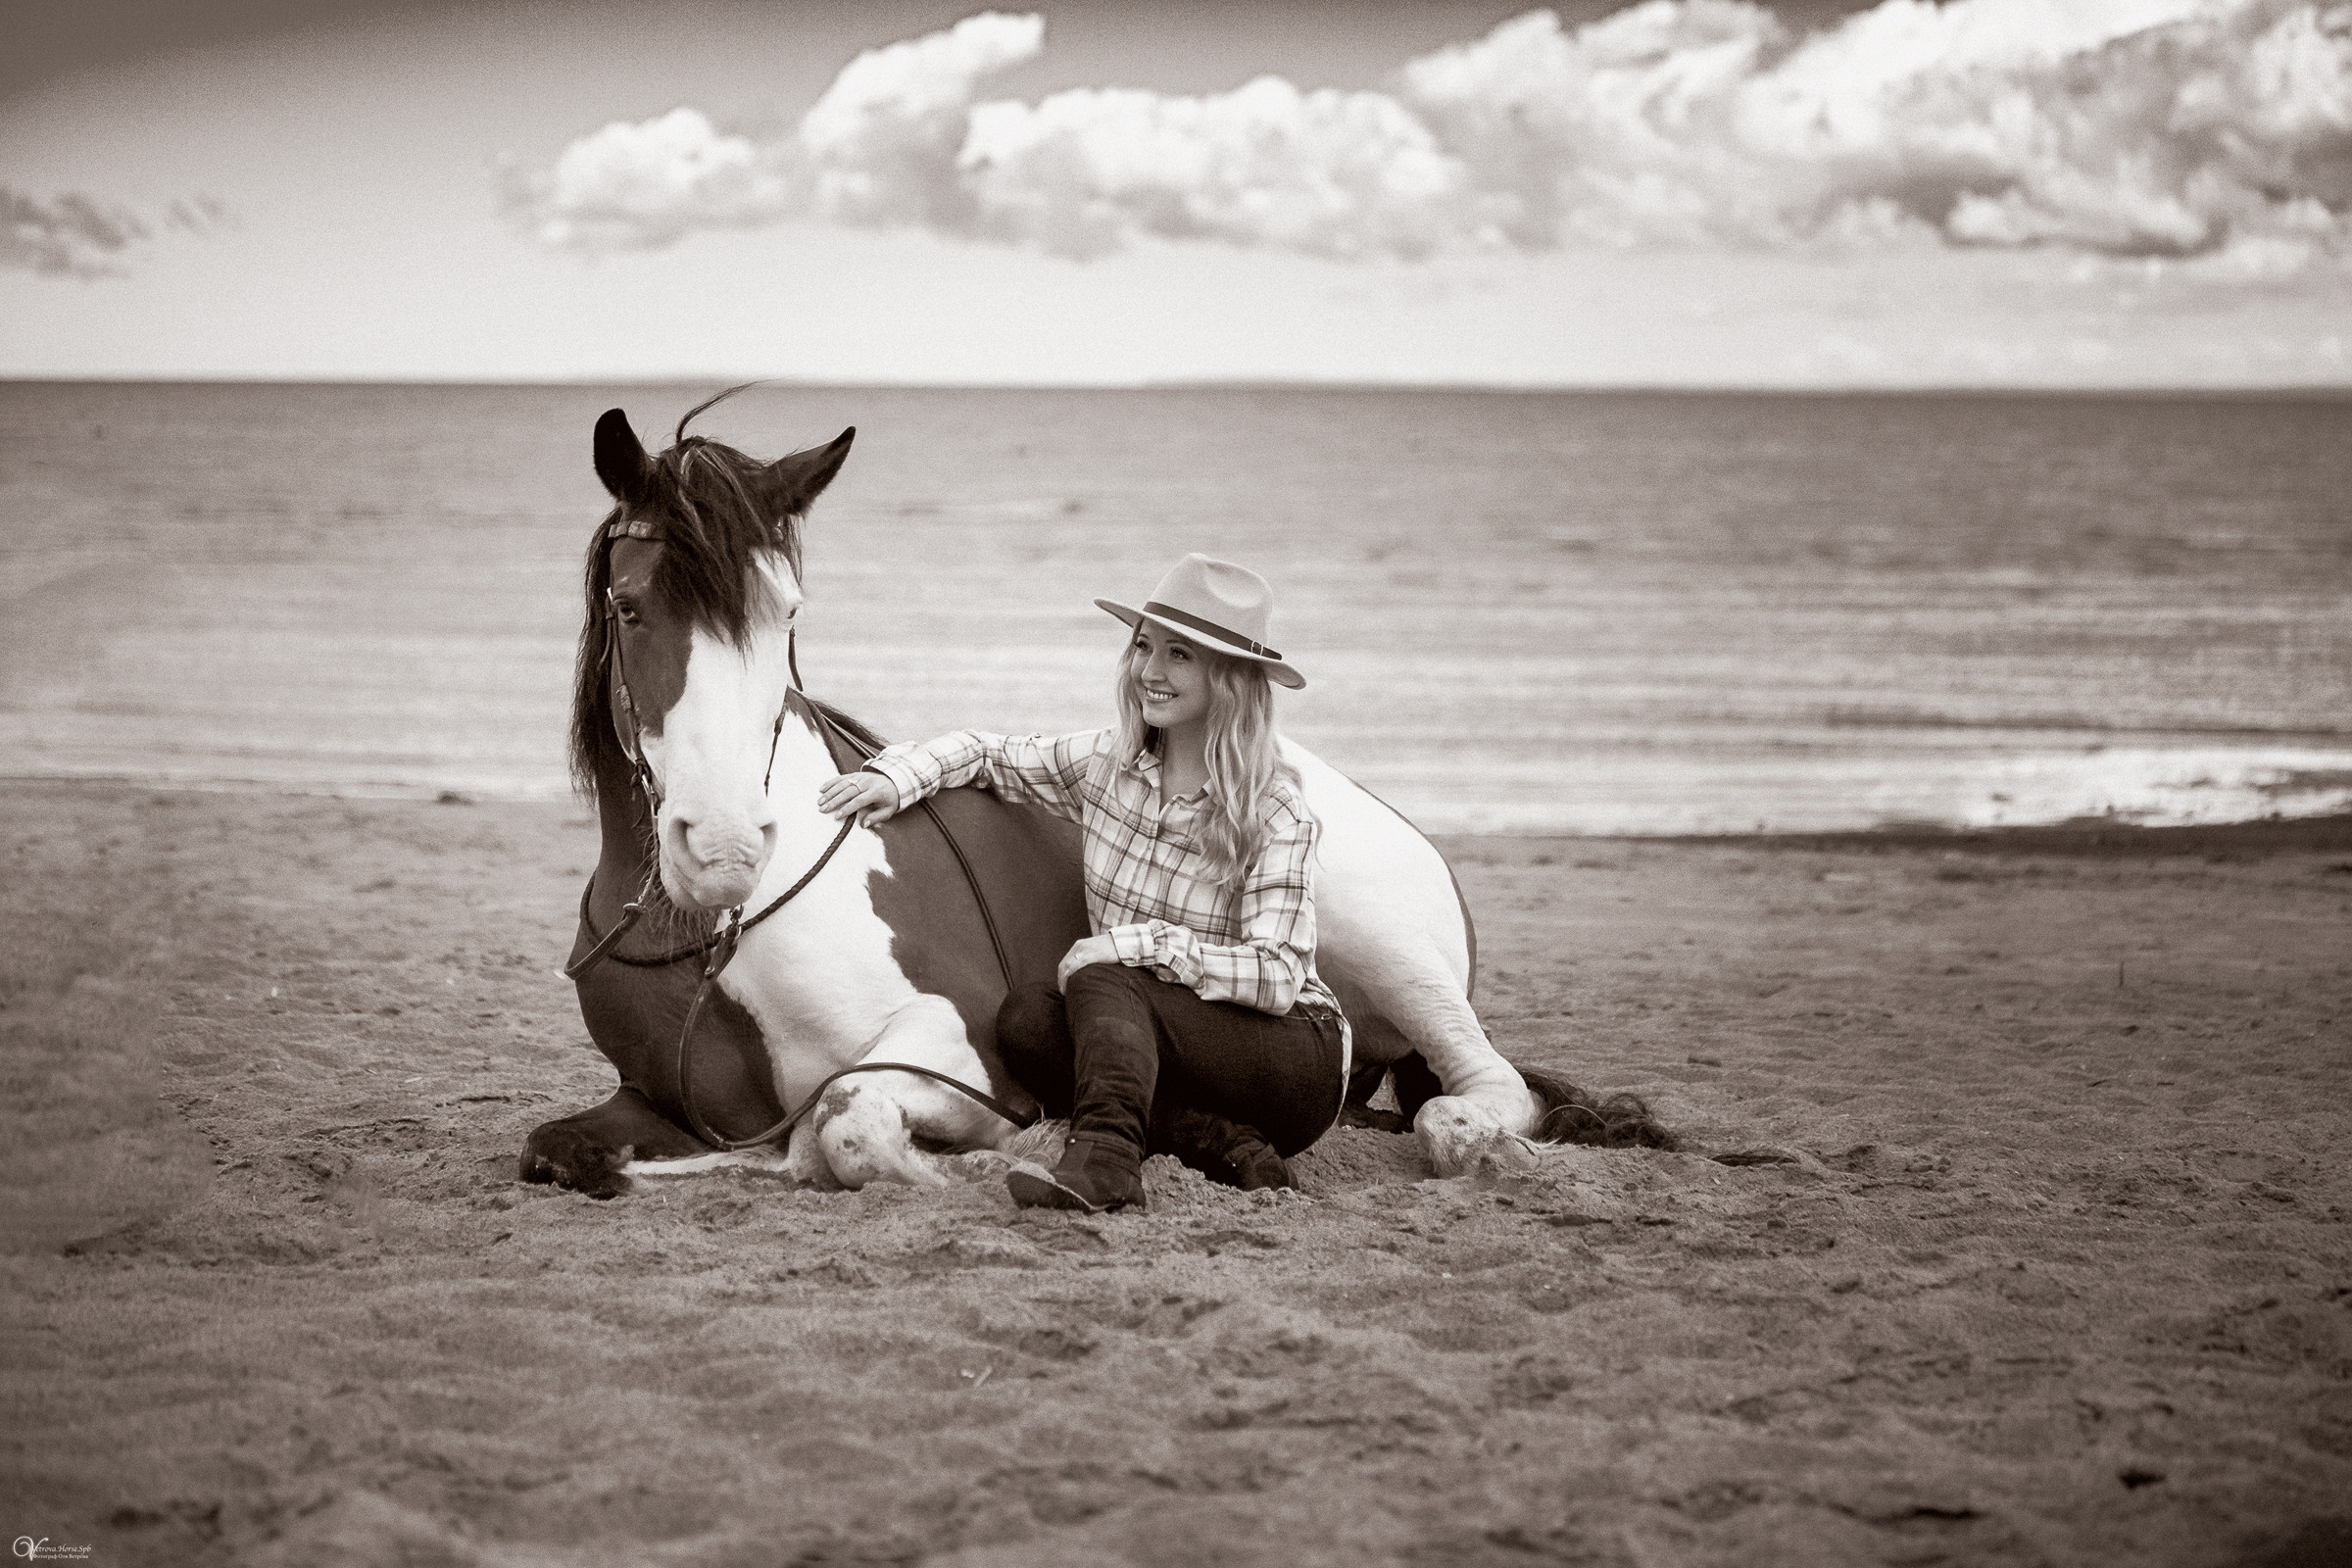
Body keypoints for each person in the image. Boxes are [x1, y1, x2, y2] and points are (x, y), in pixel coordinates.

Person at [818, 554, 1347, 1212]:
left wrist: (1137, 948)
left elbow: (1277, 978)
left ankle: (1106, 1161)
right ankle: (1218, 1141)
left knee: (1101, 975)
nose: (1150, 671)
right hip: (1165, 1054)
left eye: (1179, 655)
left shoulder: (1273, 811)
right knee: (1028, 1023)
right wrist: (896, 776)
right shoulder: (1106, 767)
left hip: (1292, 1058)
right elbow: (988, 753)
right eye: (1144, 647)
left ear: (1230, 678)